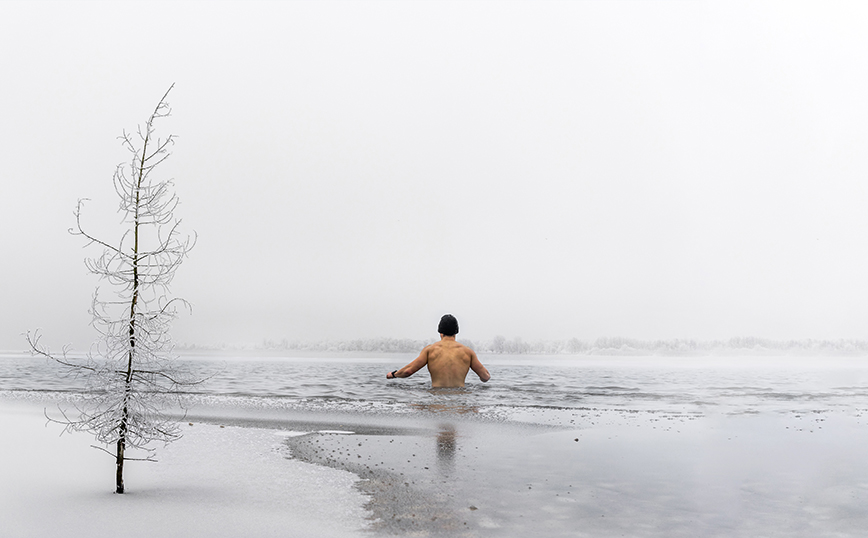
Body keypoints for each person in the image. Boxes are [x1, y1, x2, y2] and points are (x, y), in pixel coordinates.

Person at [386, 314, 490, 388]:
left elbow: (408, 371)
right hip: (459, 401)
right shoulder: (468, 352)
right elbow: (485, 377)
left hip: (436, 399)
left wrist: (393, 374)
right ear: (456, 332)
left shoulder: (430, 350)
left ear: (440, 332)